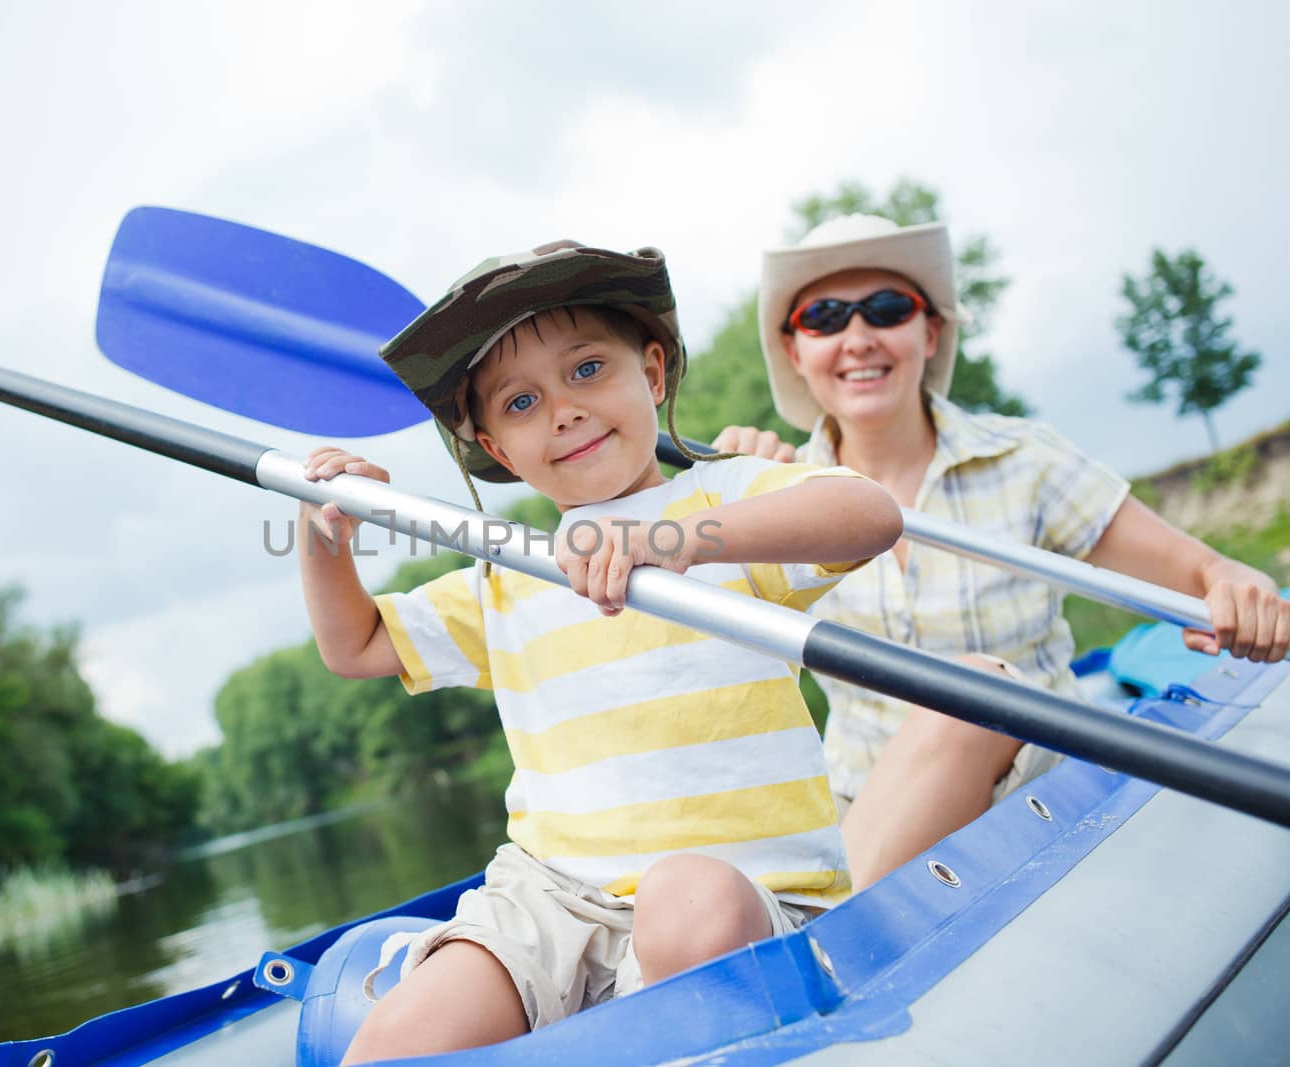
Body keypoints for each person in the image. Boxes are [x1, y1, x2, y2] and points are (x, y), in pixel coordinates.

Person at [294, 240, 903, 1063]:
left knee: (687, 900)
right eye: (519, 403)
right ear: (499, 452)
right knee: (397, 1039)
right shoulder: (506, 566)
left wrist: (674, 537)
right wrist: (323, 535)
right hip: (550, 898)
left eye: (586, 370)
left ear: (652, 373)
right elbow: (356, 644)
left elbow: (867, 513)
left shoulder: (721, 504)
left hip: (740, 886)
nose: (563, 411)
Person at [713, 213, 1290, 890]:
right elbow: (714, 685)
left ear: (929, 331)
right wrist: (724, 511)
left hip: (1037, 795)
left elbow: (1202, 573)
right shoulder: (771, 497)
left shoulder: (1027, 460)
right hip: (862, 806)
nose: (859, 337)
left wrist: (1234, 585)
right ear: (794, 350)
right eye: (826, 317)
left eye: (888, 309)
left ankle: (832, 941)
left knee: (973, 689)